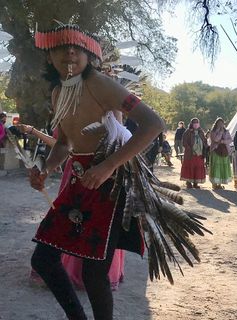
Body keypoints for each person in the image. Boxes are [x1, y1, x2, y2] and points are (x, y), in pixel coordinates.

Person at [29, 24, 164, 320]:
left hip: (111, 183)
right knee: (44, 258)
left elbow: (153, 124)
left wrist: (107, 166)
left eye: (77, 47)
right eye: (61, 47)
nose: (70, 52)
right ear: (49, 56)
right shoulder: (57, 93)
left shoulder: (101, 84)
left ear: (90, 56)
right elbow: (65, 142)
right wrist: (44, 167)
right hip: (80, 181)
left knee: (94, 272)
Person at [18, 124, 125, 291]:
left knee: (86, 221)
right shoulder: (65, 109)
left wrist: (33, 131)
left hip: (86, 169)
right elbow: (61, 145)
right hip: (74, 167)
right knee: (72, 220)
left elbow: (61, 145)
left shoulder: (101, 110)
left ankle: (81, 273)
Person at [180, 118, 207, 188]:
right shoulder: (188, 132)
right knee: (190, 167)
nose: (196, 124)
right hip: (190, 154)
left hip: (199, 154)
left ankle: (196, 183)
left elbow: (204, 140)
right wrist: (189, 148)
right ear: (191, 124)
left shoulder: (201, 132)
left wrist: (205, 147)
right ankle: (188, 182)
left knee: (197, 167)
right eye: (194, 123)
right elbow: (184, 142)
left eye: (197, 122)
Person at [208, 117, 232, 190]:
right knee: (216, 167)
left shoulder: (226, 131)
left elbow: (230, 140)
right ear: (216, 124)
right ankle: (214, 184)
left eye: (222, 123)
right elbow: (215, 139)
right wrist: (220, 132)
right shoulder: (213, 131)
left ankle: (220, 184)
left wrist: (223, 141)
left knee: (222, 168)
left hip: (224, 151)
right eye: (219, 123)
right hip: (215, 151)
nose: (221, 124)